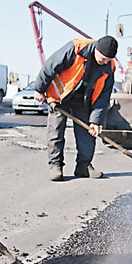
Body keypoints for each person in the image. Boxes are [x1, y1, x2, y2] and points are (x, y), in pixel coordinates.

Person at [32, 36, 117, 181]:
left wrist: (96, 121)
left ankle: (83, 167)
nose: (104, 62)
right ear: (96, 48)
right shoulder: (76, 48)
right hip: (60, 97)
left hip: (83, 100)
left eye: (108, 60)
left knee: (87, 133)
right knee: (56, 131)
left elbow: (103, 96)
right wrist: (39, 89)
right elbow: (50, 65)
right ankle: (56, 166)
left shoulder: (109, 67)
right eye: (102, 58)